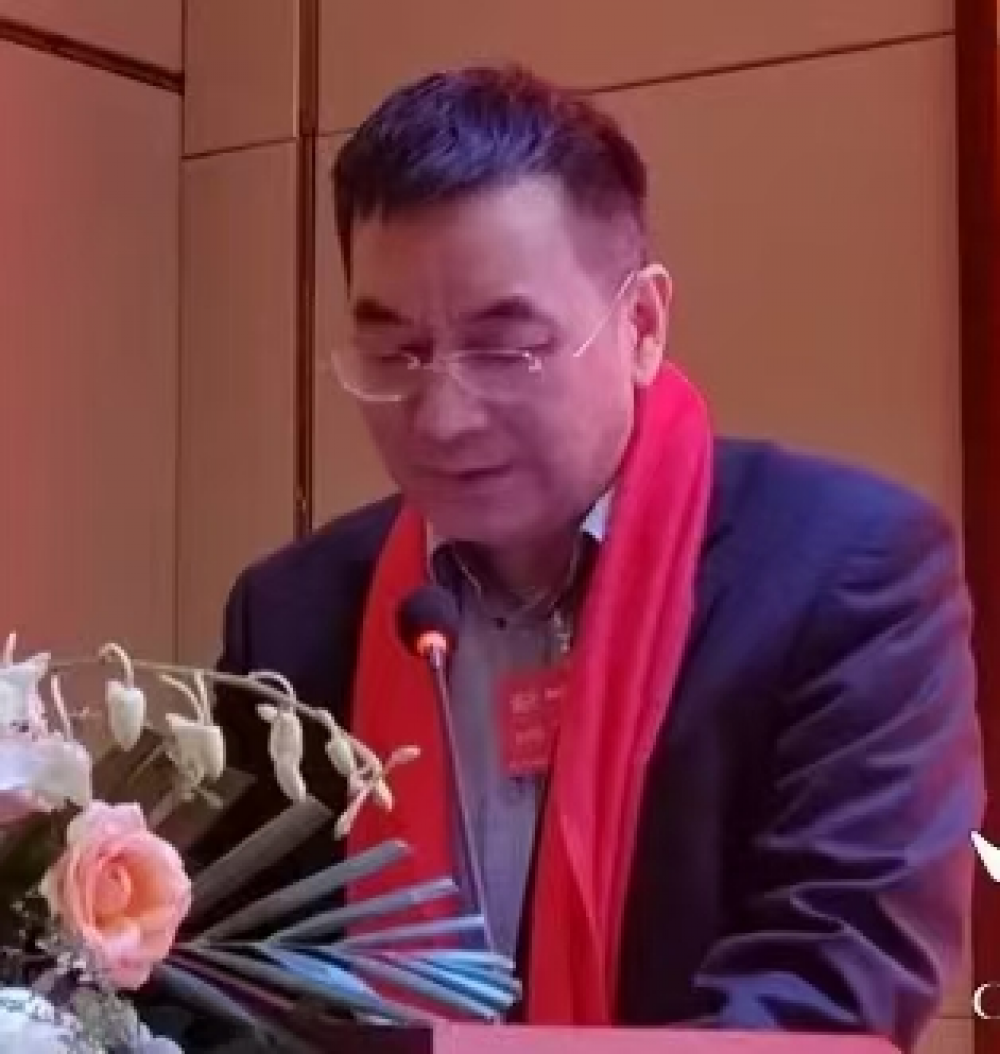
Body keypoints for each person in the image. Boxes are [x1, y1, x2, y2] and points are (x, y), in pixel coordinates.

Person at [211, 64, 984, 1051]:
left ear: (642, 325)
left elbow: (827, 994)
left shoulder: (844, 573)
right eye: (396, 354)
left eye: (506, 349)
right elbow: (221, 982)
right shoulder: (291, 613)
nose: (441, 419)